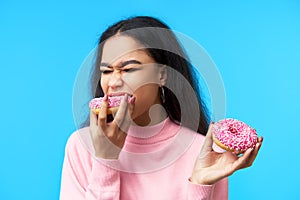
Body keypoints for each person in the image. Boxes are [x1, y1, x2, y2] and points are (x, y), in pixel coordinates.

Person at [60, 16, 263, 200]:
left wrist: (200, 185)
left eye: (128, 69)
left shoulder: (205, 153)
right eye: (106, 71)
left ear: (162, 75)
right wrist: (106, 159)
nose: (112, 82)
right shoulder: (81, 146)